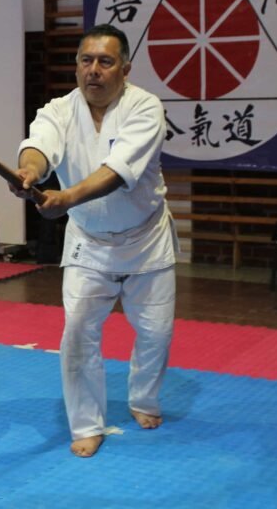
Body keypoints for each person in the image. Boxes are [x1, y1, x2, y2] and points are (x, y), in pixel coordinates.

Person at [10, 23, 178, 459]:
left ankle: (143, 398)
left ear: (125, 68)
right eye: (86, 60)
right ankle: (86, 422)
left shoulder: (146, 108)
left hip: (146, 239)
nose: (94, 70)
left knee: (155, 334)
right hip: (89, 241)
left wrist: (65, 197)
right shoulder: (59, 110)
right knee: (78, 334)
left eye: (105, 62)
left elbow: (117, 173)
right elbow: (38, 147)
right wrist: (29, 171)